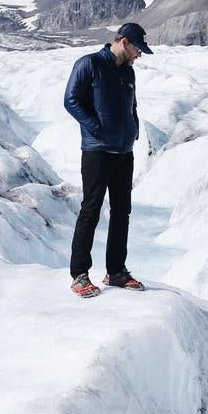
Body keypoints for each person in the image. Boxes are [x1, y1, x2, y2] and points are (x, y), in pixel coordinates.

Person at [64, 22, 153, 298]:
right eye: (138, 48)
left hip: (124, 153)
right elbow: (71, 100)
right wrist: (98, 129)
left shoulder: (128, 73)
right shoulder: (89, 64)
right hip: (97, 152)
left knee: (121, 212)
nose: (140, 54)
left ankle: (115, 272)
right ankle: (79, 275)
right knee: (90, 210)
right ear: (124, 42)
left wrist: (133, 127)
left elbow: (132, 105)